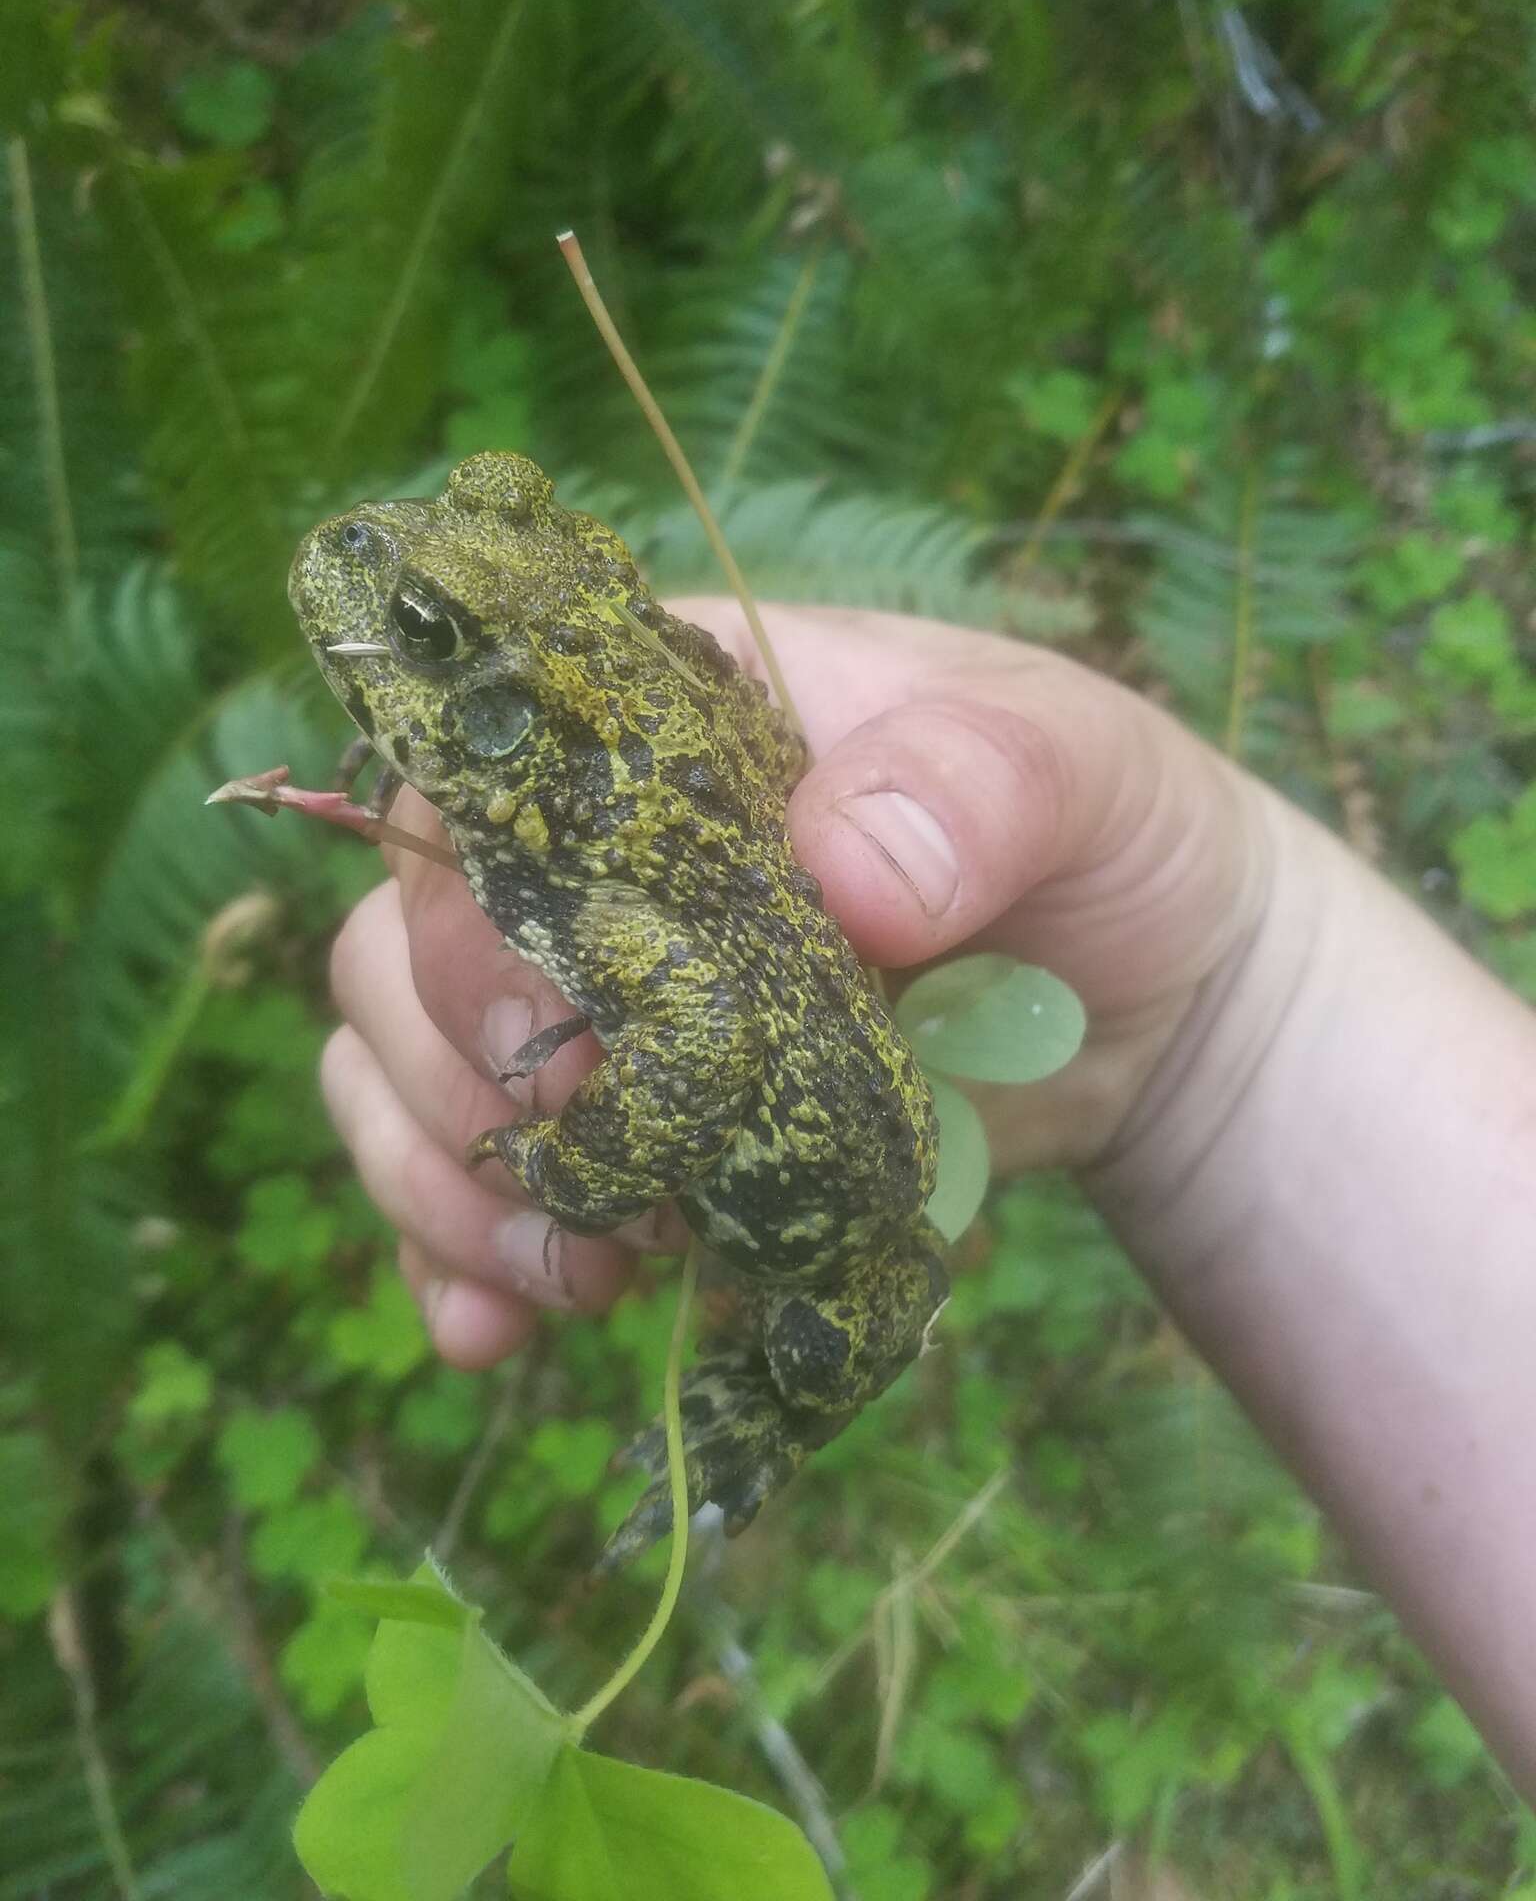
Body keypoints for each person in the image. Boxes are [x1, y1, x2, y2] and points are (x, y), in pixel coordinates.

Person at [319, 601, 1536, 1795]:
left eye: (425, 629)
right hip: (806, 1010)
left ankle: (766, 1413)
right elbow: (692, 1014)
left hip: (840, 1205)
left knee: (817, 1336)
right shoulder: (600, 797)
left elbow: (698, 1048)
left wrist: (561, 1167)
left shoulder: (617, 796)